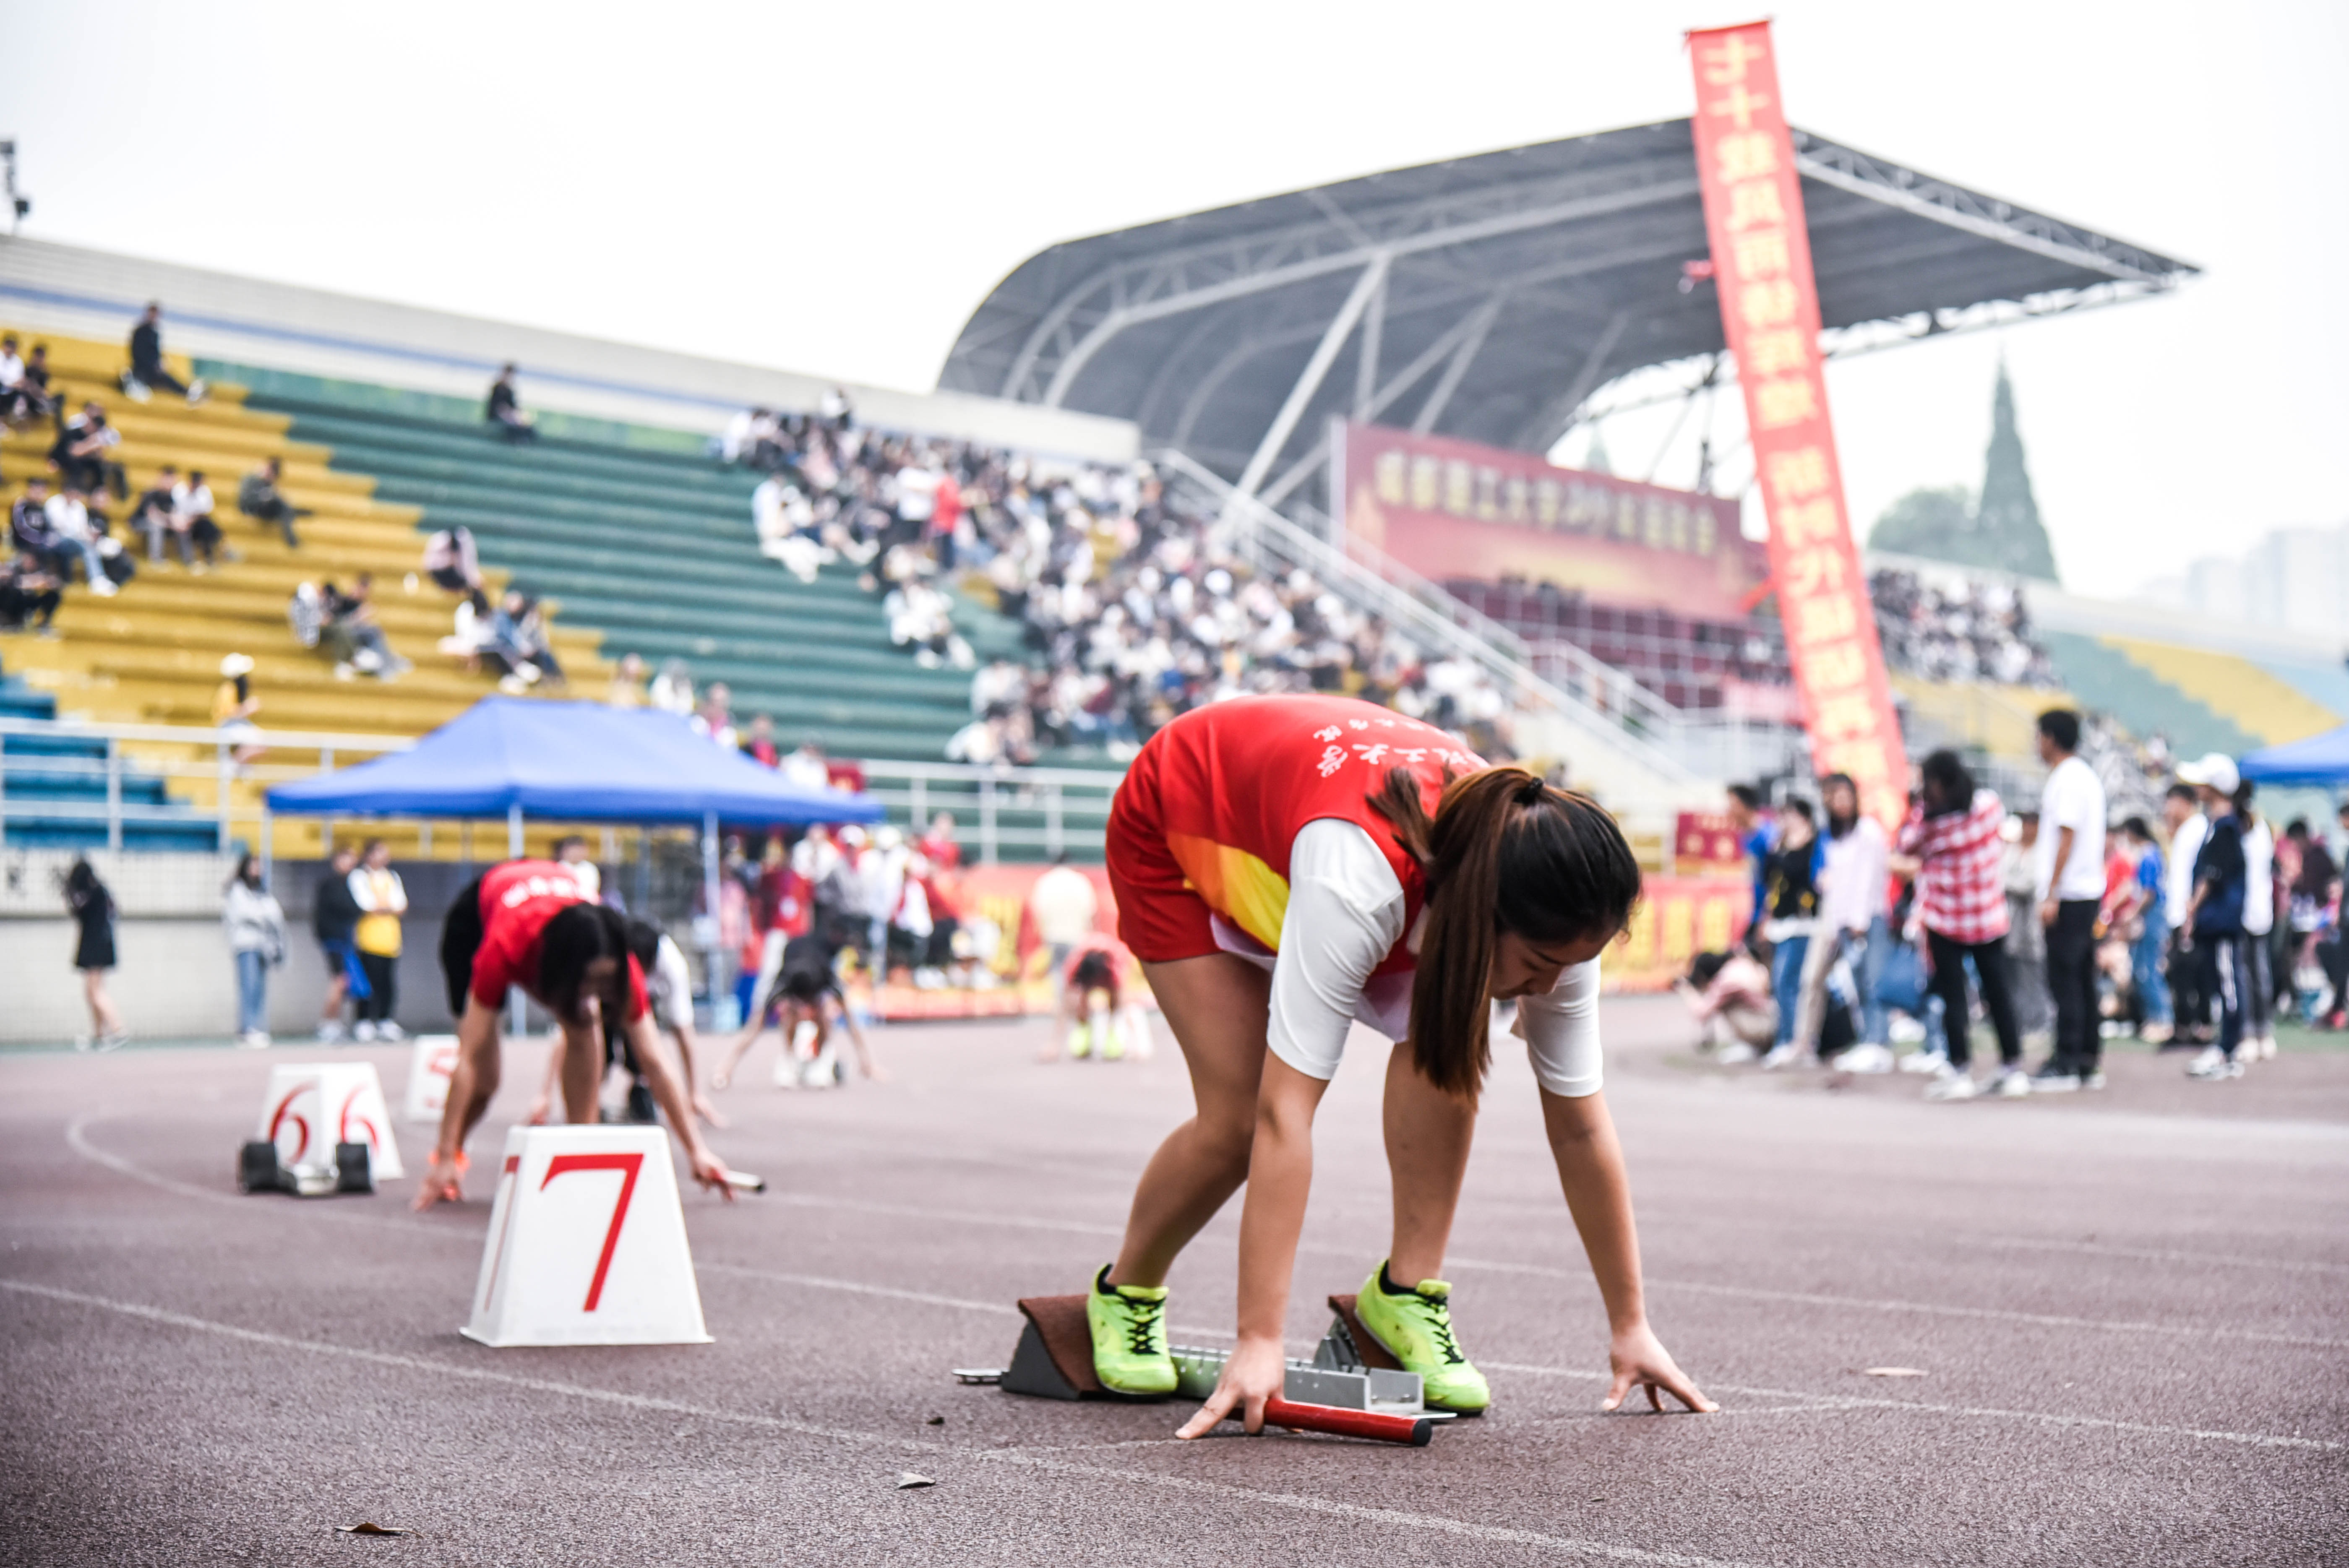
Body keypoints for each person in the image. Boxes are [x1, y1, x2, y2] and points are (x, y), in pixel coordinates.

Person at [1079, 695, 1712, 1432]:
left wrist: (1629, 1324)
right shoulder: (1357, 878)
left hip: (1326, 826)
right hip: (1185, 821)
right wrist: (1258, 1339)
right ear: (1481, 912)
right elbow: (1284, 1113)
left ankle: (1404, 1294)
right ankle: (1125, 1291)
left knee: (1447, 1034)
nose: (1546, 988)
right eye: (1537, 964)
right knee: (1236, 1115)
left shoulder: (1556, 912)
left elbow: (1579, 1126)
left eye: (1567, 966)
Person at [416, 858, 732, 1209]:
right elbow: (468, 1061)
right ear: (561, 973)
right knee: (487, 1081)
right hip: (477, 921)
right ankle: (449, 1158)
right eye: (591, 982)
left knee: (585, 1022)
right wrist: (446, 1156)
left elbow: (655, 1060)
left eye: (606, 982)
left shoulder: (619, 960)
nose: (600, 991)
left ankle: (580, 1149)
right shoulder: (506, 947)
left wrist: (698, 1152)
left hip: (555, 912)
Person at [1894, 750, 2027, 1101]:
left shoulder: (1929, 824)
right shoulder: (1987, 807)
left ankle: (1960, 1069)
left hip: (1946, 918)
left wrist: (1920, 810)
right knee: (1997, 994)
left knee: (1955, 997)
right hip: (1987, 917)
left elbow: (1906, 846)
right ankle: (2012, 1068)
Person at [2031, 709, 2108, 1090]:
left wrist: (2051, 892)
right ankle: (2087, 1058)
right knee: (2081, 978)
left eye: (2038, 736)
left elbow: (2066, 835)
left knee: (2065, 978)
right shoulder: (2086, 777)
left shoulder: (2067, 778)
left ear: (2050, 738)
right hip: (2085, 890)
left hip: (2070, 893)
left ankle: (2068, 1058)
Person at [1798, 772, 1890, 1070]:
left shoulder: (1868, 831)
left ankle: (1878, 1042)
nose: (1839, 803)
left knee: (1873, 981)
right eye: (1832, 797)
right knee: (1857, 985)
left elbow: (1869, 879)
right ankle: (1867, 1039)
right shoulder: (1833, 836)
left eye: (1843, 796)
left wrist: (1860, 919)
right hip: (1841, 920)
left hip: (1867, 918)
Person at [2176, 755, 2249, 1081]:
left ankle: (2228, 1050)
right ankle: (2224, 1048)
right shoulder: (2218, 825)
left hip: (2222, 922)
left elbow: (2211, 874)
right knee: (2221, 985)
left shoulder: (2225, 826)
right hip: (2213, 921)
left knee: (2228, 985)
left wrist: (2192, 907)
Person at [1758, 798, 1820, 1069]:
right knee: (1781, 984)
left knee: (1790, 982)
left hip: (1803, 924)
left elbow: (1803, 876)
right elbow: (1766, 877)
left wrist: (1790, 847)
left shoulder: (1812, 845)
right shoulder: (1779, 845)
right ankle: (1786, 1040)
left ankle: (1797, 1042)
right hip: (1780, 925)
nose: (1785, 821)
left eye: (1790, 815)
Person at [2116, 818, 2172, 1042]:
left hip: (2152, 916)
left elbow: (2148, 892)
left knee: (2149, 969)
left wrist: (2133, 913)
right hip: (2150, 915)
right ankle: (2153, 1019)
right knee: (2142, 967)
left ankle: (2162, 1019)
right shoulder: (2151, 854)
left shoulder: (2149, 856)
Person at [2161, 782, 2210, 1044]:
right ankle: (2185, 1025)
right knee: (2180, 972)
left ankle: (2197, 1026)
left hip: (2188, 914)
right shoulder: (2184, 831)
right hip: (2178, 913)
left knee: (2192, 972)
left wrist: (2192, 912)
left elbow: (2200, 875)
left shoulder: (2198, 829)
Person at [65, 858, 128, 1050]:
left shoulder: (90, 892)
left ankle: (118, 1030)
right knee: (91, 992)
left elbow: (78, 911)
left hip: (95, 945)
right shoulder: (101, 890)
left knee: (95, 991)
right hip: (101, 943)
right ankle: (99, 1035)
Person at [1055, 932, 1150, 1061]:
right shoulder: (1074, 966)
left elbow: (1125, 1002)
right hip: (1087, 967)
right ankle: (1084, 1030)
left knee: (1117, 1004)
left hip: (1109, 966)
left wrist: (1139, 1046)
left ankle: (1112, 1035)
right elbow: (1064, 1004)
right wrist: (1054, 1045)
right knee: (1077, 1001)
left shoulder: (1114, 967)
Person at [224, 854, 286, 1049]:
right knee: (248, 987)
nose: (258, 870)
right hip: (246, 946)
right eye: (254, 866)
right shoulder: (237, 890)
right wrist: (263, 916)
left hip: (263, 946)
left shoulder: (263, 892)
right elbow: (246, 914)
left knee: (260, 989)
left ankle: (259, 1027)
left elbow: (275, 914)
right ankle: (247, 1029)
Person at [2236, 779, 2278, 1063]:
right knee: (2254, 974)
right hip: (2252, 910)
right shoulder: (2260, 826)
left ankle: (2256, 1032)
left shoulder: (2250, 826)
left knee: (2251, 974)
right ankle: (2257, 1033)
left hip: (2250, 911)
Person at [349, 839, 408, 1042]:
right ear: (369, 855)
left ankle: (385, 1020)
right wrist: (386, 908)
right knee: (367, 982)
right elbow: (366, 905)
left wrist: (383, 908)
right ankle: (364, 1020)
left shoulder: (392, 876)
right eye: (380, 853)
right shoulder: (360, 876)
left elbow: (401, 905)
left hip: (390, 939)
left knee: (387, 982)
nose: (385, 857)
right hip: (368, 938)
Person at [1677, 948, 1775, 1063]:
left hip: (1767, 1028)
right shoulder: (1739, 965)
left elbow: (1702, 1013)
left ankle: (1755, 1046)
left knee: (1725, 1006)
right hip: (1772, 1020)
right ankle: (1755, 1047)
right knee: (1725, 1004)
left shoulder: (1727, 981)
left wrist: (1687, 991)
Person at [313, 844, 365, 1042]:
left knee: (345, 982)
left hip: (345, 940)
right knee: (339, 981)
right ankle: (328, 1022)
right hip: (335, 941)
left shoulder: (350, 884)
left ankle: (334, 1022)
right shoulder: (330, 885)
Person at [123, 303, 206, 404]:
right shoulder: (142, 331)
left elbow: (154, 353)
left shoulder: (153, 332)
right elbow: (138, 353)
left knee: (166, 378)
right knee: (164, 378)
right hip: (143, 370)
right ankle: (187, 393)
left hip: (149, 370)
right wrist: (153, 365)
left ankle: (187, 393)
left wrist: (159, 363)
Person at [43, 485, 115, 596]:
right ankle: (96, 579)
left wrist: (90, 536)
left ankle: (98, 578)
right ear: (66, 493)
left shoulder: (79, 507)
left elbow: (82, 528)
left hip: (74, 540)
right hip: (55, 539)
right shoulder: (54, 503)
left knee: (90, 546)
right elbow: (57, 527)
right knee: (86, 547)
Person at [238, 457, 308, 549]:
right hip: (252, 508)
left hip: (265, 508)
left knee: (281, 505)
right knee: (280, 504)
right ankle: (293, 513)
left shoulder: (268, 484)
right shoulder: (252, 479)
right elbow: (245, 499)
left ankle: (291, 511)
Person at [212, 653, 264, 767]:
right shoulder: (228, 689)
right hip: (227, 725)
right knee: (259, 743)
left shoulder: (232, 689)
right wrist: (247, 708)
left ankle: (237, 765)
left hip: (235, 724)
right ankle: (234, 766)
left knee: (261, 743)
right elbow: (228, 713)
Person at [486, 364, 537, 442]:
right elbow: (498, 408)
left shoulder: (510, 390)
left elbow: (514, 407)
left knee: (526, 426)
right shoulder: (498, 388)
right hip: (498, 417)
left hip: (510, 416)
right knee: (513, 426)